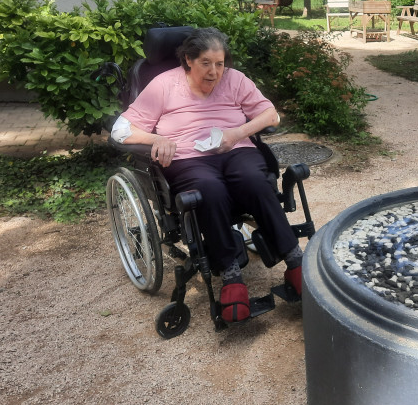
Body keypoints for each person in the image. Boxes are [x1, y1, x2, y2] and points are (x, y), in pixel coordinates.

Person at [110, 27, 302, 323]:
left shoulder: (235, 80)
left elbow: (270, 115)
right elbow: (121, 130)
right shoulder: (164, 84)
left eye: (220, 63)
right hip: (188, 158)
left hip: (236, 150)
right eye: (206, 63)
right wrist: (155, 140)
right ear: (188, 60)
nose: (214, 72)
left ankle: (295, 262)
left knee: (255, 180)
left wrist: (237, 133)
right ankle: (231, 276)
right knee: (208, 190)